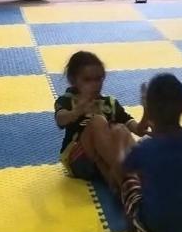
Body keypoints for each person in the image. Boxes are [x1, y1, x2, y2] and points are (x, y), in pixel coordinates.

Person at [120, 74, 182, 232]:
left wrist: (146, 114)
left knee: (129, 182)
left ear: (150, 111)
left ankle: (134, 222)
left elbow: (124, 168)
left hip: (158, 226)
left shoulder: (145, 148)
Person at [54, 50, 144, 190]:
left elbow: (136, 129)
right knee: (98, 121)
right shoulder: (68, 100)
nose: (94, 84)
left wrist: (148, 118)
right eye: (87, 80)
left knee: (121, 130)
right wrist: (76, 112)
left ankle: (129, 183)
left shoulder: (110, 103)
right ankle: (127, 177)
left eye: (98, 79)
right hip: (80, 160)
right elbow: (60, 119)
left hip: (106, 160)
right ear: (73, 80)